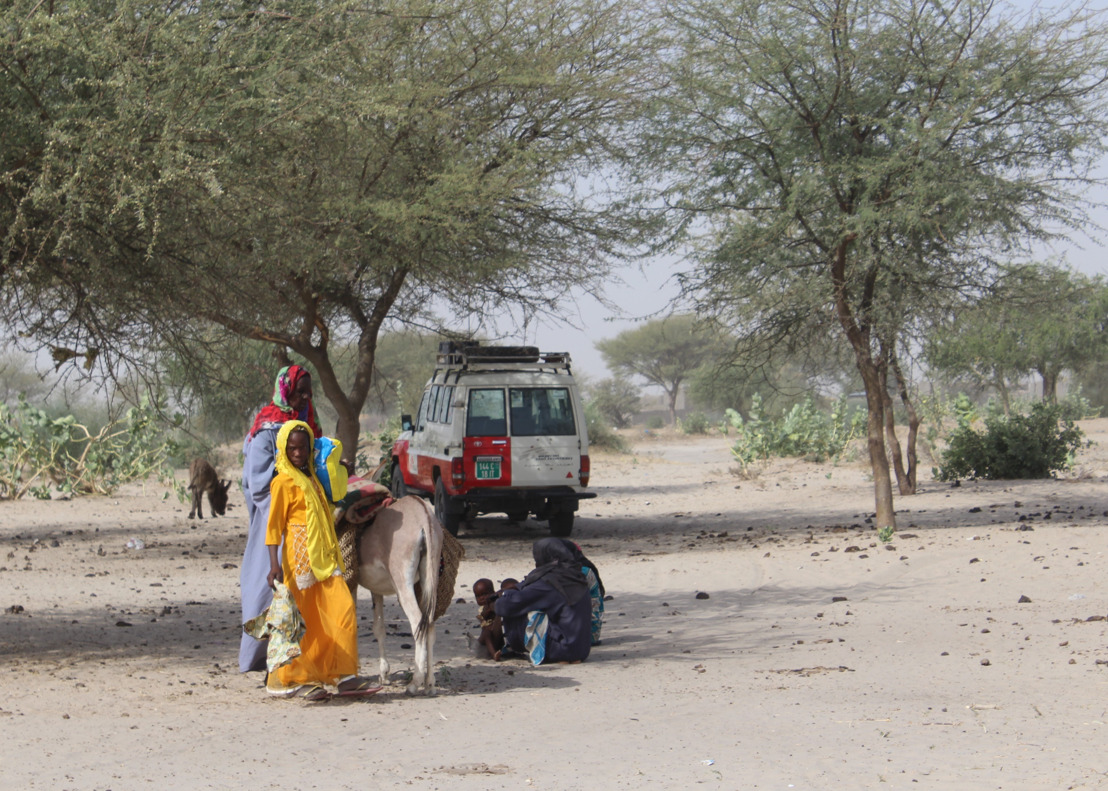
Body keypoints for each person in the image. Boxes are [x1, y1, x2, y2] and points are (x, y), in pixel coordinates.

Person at [264, 421, 378, 700]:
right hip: (299, 558)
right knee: (303, 619)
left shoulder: (316, 478)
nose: (298, 453)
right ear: (284, 449)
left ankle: (345, 675)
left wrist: (343, 472)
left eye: (303, 447)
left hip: (325, 556)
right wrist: (274, 565)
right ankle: (301, 678)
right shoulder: (281, 482)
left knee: (342, 609)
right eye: (292, 448)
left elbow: (329, 504)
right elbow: (274, 527)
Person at [238, 364, 324, 673]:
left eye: (309, 394)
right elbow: (258, 486)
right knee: (270, 589)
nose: (304, 399)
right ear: (286, 390)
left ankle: (304, 659)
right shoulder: (266, 431)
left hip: (306, 519)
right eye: (300, 393)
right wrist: (288, 510)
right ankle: (260, 659)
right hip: (274, 519)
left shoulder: (307, 426)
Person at [494, 538, 592, 665]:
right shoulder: (577, 576)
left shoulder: (549, 582)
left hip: (560, 650)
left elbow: (505, 606)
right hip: (582, 651)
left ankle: (513, 647)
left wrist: (506, 594)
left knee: (514, 609)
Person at [472, 578, 505, 660]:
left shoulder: (495, 603)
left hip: (496, 637)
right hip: (483, 643)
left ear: (493, 593)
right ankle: (494, 655)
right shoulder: (482, 608)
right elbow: (483, 617)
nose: (481, 598)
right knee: (486, 632)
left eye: (484, 594)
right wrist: (488, 609)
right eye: (478, 596)